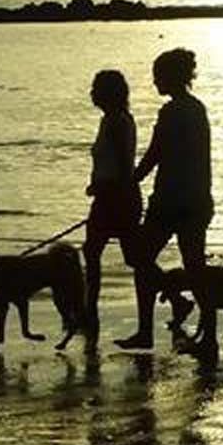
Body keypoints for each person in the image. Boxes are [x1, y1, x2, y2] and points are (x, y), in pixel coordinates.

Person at [115, 49, 208, 354]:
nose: (155, 81)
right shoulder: (197, 109)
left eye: (159, 75)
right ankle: (206, 332)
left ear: (172, 77)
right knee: (195, 268)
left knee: (140, 258)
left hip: (170, 201)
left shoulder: (171, 112)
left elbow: (155, 154)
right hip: (196, 200)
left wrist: (128, 183)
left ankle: (147, 329)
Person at [83, 69, 143, 346]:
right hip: (112, 195)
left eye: (96, 89)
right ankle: (89, 310)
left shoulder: (116, 122)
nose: (92, 94)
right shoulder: (114, 119)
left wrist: (107, 189)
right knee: (97, 252)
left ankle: (89, 311)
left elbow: (121, 165)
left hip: (116, 198)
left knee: (126, 257)